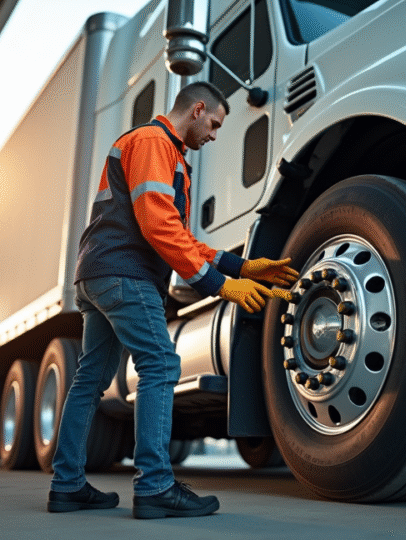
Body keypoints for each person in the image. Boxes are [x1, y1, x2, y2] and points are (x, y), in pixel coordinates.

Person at [47, 81, 298, 518]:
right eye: (215, 124)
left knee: (90, 380)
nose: (215, 134)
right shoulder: (152, 142)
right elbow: (159, 228)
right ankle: (156, 487)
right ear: (197, 109)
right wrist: (218, 286)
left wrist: (242, 266)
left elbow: (179, 236)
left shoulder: (161, 150)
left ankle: (67, 486)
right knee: (160, 364)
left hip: (100, 274)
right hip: (125, 273)